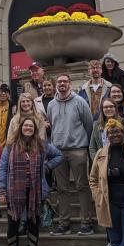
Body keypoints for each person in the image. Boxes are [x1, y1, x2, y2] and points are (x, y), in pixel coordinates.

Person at [0, 117, 63, 246]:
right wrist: (1, 190)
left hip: (36, 191)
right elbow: (2, 168)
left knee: (33, 222)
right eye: (26, 125)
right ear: (20, 128)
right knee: (13, 223)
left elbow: (59, 155)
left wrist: (46, 166)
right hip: (14, 192)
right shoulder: (10, 146)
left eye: (31, 126)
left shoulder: (42, 145)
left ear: (35, 129)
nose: (28, 128)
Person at [47, 74, 94, 236]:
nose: (62, 84)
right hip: (58, 152)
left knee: (82, 187)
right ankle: (63, 224)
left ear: (70, 84)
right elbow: (52, 126)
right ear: (56, 85)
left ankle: (86, 222)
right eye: (59, 82)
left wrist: (86, 148)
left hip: (78, 149)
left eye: (65, 81)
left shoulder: (80, 102)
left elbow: (89, 125)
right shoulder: (51, 104)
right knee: (62, 189)